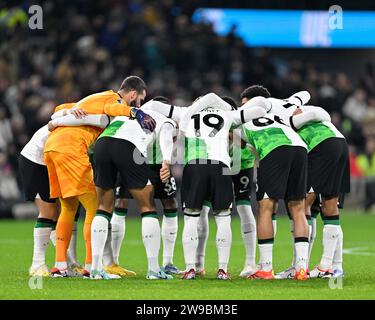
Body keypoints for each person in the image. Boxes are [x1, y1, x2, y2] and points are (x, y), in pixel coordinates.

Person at [45, 76, 155, 278]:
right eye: (140, 99)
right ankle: (91, 267)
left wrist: (61, 116)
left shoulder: (94, 98)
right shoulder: (114, 99)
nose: (140, 103)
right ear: (132, 94)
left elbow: (61, 107)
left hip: (52, 147)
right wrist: (134, 111)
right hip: (71, 148)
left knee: (68, 207)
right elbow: (115, 109)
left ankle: (59, 266)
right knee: (96, 207)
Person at [178, 93, 266, 280]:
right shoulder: (227, 114)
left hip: (194, 165)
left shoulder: (188, 112)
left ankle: (190, 269)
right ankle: (222, 270)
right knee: (223, 218)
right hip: (220, 166)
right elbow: (258, 110)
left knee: (191, 218)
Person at [19, 103, 108, 277]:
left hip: (55, 158)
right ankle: (37, 263)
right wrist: (68, 112)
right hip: (35, 160)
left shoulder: (89, 123)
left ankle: (66, 261)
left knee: (66, 209)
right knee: (49, 211)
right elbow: (57, 112)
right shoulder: (80, 112)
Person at [91, 102, 176, 280]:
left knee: (103, 207)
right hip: (128, 148)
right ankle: (153, 270)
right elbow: (166, 137)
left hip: (102, 144)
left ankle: (96, 269)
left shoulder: (124, 113)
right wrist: (166, 161)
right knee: (147, 207)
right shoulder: (166, 120)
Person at [240, 87, 311, 280]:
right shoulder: (279, 115)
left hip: (274, 149)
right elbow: (304, 95)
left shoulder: (243, 119)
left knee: (265, 207)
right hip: (299, 148)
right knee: (298, 207)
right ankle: (301, 269)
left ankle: (265, 268)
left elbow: (238, 144)